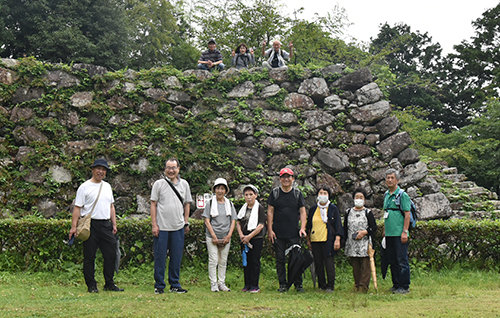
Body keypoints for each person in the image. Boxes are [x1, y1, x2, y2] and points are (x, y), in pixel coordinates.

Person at [69, 158, 123, 293]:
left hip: (105, 224)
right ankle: (91, 285)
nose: (101, 172)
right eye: (98, 168)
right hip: (90, 225)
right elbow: (77, 208)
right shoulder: (84, 187)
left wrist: (114, 223)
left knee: (111, 254)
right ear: (93, 170)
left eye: (104, 169)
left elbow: (111, 206)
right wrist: (73, 227)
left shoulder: (107, 186)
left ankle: (109, 283)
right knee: (89, 256)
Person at [151, 158, 192, 294]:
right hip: (162, 227)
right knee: (160, 257)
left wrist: (186, 221)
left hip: (178, 227)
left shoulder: (184, 184)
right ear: (164, 169)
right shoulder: (159, 184)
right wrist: (154, 224)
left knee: (176, 257)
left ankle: (175, 284)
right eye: (168, 167)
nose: (171, 170)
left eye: (173, 167)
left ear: (178, 169)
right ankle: (159, 285)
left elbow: (187, 204)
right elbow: (153, 204)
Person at [267, 167, 307, 292]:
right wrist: (270, 230)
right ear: (280, 179)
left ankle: (298, 284)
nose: (286, 179)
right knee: (280, 259)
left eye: (288, 177)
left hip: (294, 233)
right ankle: (283, 284)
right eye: (283, 177)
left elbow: (303, 211)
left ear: (292, 179)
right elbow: (270, 212)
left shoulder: (297, 194)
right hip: (278, 233)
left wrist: (303, 228)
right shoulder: (275, 193)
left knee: (296, 259)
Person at [306, 185, 343, 292]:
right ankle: (321, 285)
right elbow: (309, 225)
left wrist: (337, 239)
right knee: (318, 263)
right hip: (315, 239)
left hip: (328, 239)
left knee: (329, 263)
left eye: (325, 193)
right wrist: (308, 240)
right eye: (320, 193)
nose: (322, 196)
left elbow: (338, 225)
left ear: (329, 195)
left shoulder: (333, 208)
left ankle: (330, 285)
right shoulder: (313, 209)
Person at [202, 178, 237, 292]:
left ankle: (221, 283)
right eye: (218, 188)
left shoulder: (229, 203)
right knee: (213, 260)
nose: (220, 191)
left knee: (223, 261)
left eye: (222, 188)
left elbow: (233, 221)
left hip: (225, 236)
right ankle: (213, 283)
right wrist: (214, 236)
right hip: (212, 236)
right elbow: (207, 220)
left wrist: (229, 236)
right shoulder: (210, 203)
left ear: (225, 190)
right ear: (214, 190)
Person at [343, 188, 377, 293]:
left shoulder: (368, 212)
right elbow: (345, 228)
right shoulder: (348, 212)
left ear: (365, 200)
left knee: (365, 266)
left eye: (361, 197)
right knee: (355, 266)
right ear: (353, 199)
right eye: (357, 197)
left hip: (365, 243)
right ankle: (357, 284)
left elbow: (374, 228)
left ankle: (363, 287)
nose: (359, 199)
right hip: (352, 244)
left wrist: (365, 232)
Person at [383, 168, 411, 294]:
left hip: (399, 233)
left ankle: (404, 286)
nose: (389, 180)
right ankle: (396, 284)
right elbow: (386, 213)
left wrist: (405, 231)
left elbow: (407, 214)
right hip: (389, 233)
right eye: (387, 178)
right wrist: (384, 231)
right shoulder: (386, 195)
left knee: (402, 260)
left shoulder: (402, 195)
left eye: (392, 178)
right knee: (392, 260)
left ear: (397, 180)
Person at [236, 184, 266, 293]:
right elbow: (238, 222)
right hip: (244, 239)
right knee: (246, 262)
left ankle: (254, 285)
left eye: (251, 194)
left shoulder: (260, 208)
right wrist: (241, 236)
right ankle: (247, 284)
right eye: (246, 195)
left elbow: (261, 225)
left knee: (254, 261)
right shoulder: (243, 209)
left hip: (256, 238)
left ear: (256, 195)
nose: (248, 197)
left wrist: (249, 236)